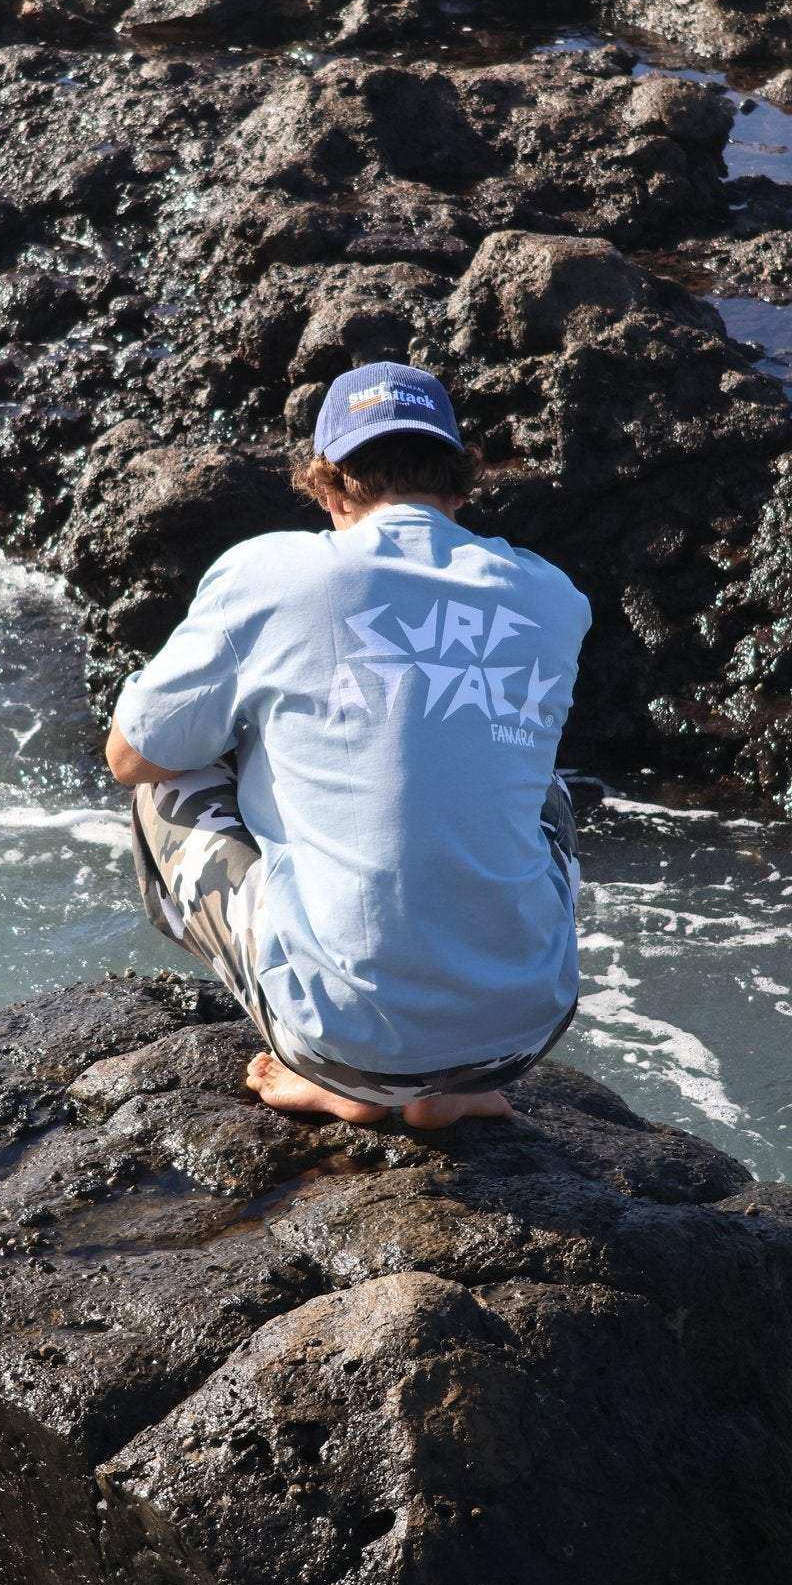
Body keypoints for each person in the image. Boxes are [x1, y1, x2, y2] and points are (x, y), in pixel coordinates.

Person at [105, 360, 591, 1130]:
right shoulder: (551, 593)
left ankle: (347, 1087)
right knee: (544, 786)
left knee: (165, 778)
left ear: (328, 489)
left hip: (337, 1042)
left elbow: (133, 755)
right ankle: (447, 1091)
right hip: (520, 1035)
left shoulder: (273, 570)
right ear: (459, 488)